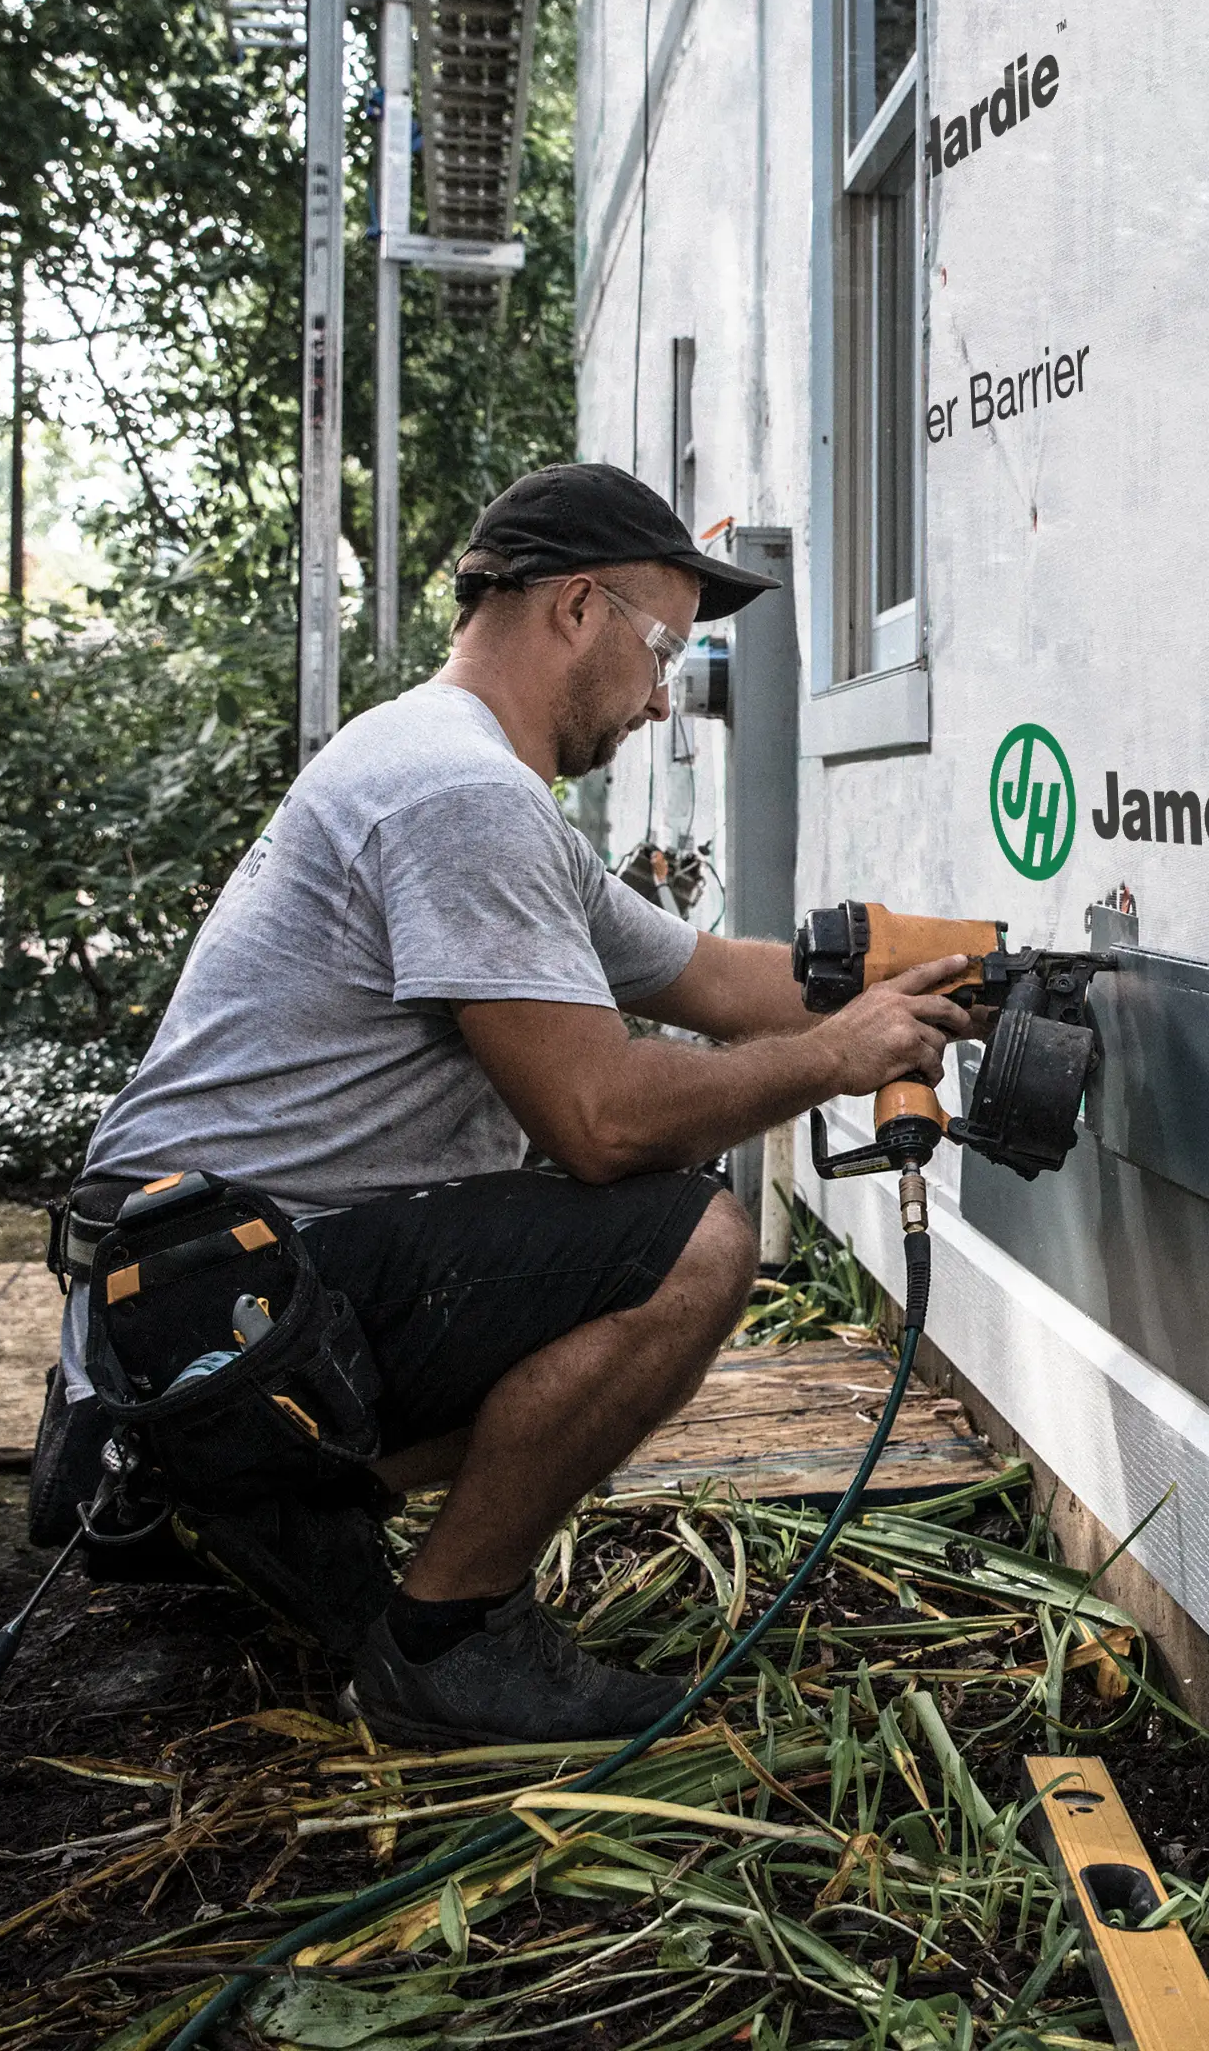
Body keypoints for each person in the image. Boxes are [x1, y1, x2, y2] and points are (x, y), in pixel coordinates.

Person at [55, 463, 976, 1748]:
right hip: (219, 1319)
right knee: (692, 1244)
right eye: (663, 651)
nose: (663, 698)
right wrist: (838, 1059)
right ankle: (446, 1642)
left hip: (206, 1292)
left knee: (594, 1245)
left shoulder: (448, 767)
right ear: (578, 609)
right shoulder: (462, 797)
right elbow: (600, 1125)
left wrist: (949, 981)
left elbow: (714, 980)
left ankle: (262, 1506)